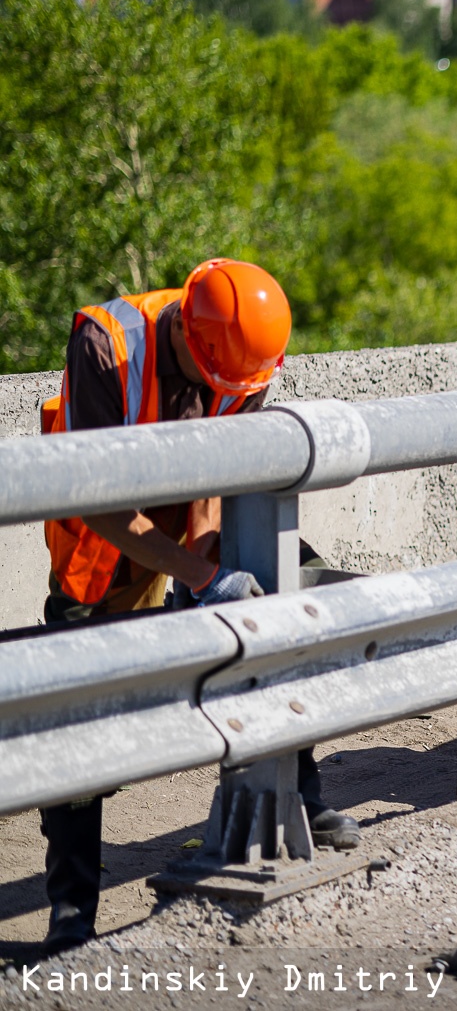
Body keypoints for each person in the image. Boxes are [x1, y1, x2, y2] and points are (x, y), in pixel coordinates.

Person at [35, 258, 358, 955]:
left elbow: (220, 453)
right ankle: (72, 906)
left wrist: (211, 570)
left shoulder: (245, 352)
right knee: (73, 710)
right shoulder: (105, 344)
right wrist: (199, 574)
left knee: (281, 599)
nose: (229, 389)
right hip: (103, 539)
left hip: (188, 515)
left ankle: (299, 786)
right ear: (186, 330)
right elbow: (100, 501)